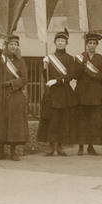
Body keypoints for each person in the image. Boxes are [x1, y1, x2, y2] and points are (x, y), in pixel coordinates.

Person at [0, 35, 29, 160]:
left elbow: (24, 79)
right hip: (0, 95)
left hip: (15, 96)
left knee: (13, 125)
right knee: (0, 124)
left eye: (16, 44)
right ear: (7, 45)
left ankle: (13, 152)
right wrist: (0, 47)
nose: (14, 47)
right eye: (11, 44)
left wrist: (11, 83)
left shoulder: (21, 61)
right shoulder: (1, 59)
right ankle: (0, 152)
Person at [38, 28, 77, 156]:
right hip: (51, 94)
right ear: (55, 43)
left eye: (63, 41)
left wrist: (57, 81)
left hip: (64, 93)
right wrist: (44, 66)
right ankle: (51, 146)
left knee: (62, 120)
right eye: (58, 41)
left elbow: (71, 75)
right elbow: (46, 77)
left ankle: (60, 146)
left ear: (66, 43)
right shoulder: (49, 58)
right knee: (51, 120)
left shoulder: (70, 59)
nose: (60, 43)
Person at [72, 32, 102, 156]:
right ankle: (81, 146)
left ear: (96, 45)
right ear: (86, 45)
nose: (91, 45)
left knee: (94, 121)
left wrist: (92, 74)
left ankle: (91, 146)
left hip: (96, 94)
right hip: (82, 93)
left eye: (94, 43)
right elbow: (74, 75)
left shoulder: (100, 58)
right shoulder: (79, 58)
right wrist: (81, 67)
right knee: (82, 120)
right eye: (89, 43)